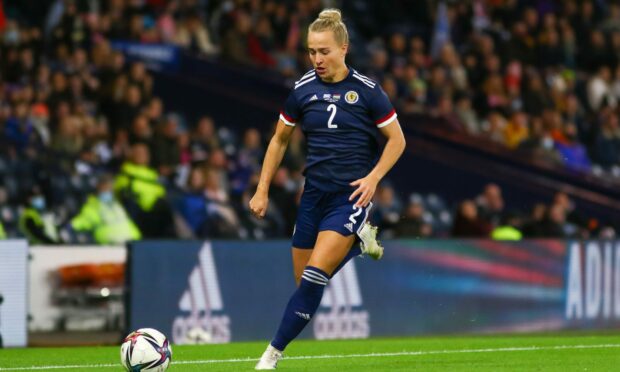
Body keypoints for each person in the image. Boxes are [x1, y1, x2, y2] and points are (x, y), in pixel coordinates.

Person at [249, 9, 406, 370]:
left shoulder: (368, 92)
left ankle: (270, 357)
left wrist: (374, 177)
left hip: (349, 196)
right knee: (305, 283)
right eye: (311, 51)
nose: (317, 59)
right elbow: (279, 140)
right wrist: (262, 190)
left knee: (312, 279)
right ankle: (358, 243)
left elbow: (397, 140)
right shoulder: (303, 89)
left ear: (344, 48)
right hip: (313, 196)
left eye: (324, 51)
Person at [71, 175, 141, 244]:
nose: (108, 190)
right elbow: (80, 223)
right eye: (105, 188)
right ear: (98, 188)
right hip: (110, 246)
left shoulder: (118, 204)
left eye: (110, 188)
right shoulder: (93, 206)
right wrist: (71, 226)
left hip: (132, 241)